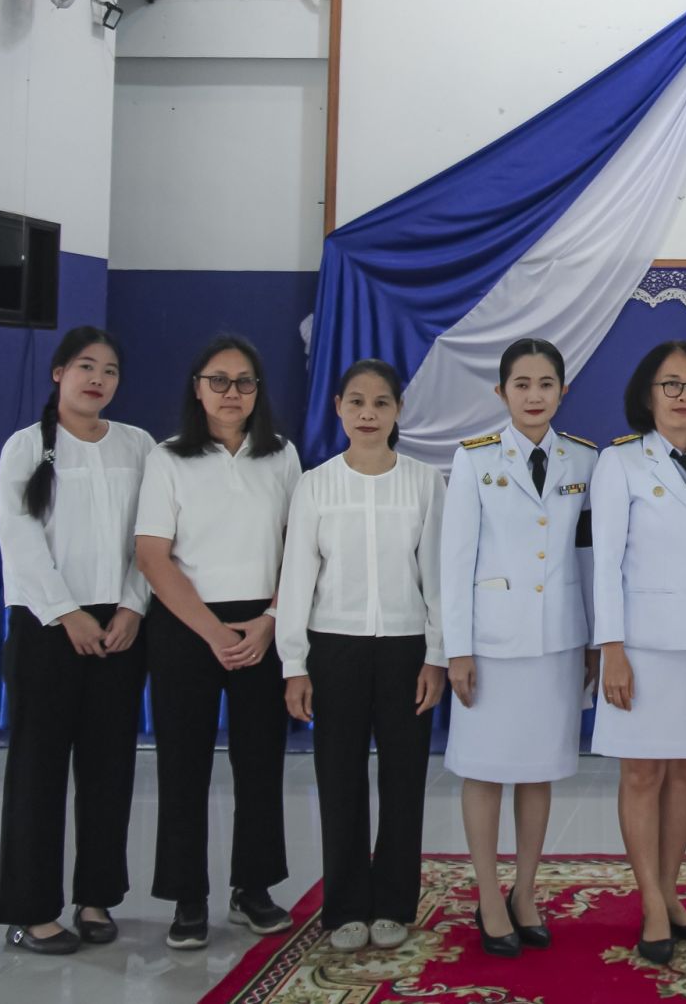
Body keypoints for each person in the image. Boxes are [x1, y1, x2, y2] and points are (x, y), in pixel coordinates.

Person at [135, 334, 302, 949]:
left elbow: (299, 548)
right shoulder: (168, 458)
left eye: (245, 381)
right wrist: (210, 630)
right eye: (219, 380)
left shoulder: (281, 454)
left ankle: (253, 888)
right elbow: (152, 555)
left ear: (259, 390)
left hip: (263, 626)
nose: (233, 392)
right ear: (197, 388)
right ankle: (187, 896)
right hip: (186, 627)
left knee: (260, 762)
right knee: (183, 765)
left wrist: (270, 620)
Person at [276, 359, 447, 952]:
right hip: (334, 648)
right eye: (356, 402)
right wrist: (294, 664)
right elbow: (297, 578)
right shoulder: (315, 484)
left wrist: (436, 655)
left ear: (399, 410)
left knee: (404, 778)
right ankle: (346, 904)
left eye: (381, 402)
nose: (368, 414)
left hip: (406, 650)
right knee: (339, 776)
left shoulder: (425, 482)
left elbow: (437, 577)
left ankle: (395, 902)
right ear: (338, 408)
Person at [0, 327, 155, 954]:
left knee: (109, 767)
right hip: (46, 626)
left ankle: (97, 898)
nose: (98, 379)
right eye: (86, 366)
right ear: (59, 372)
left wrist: (133, 606)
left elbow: (152, 537)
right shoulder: (25, 446)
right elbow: (20, 539)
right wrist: (67, 614)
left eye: (110, 370)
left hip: (120, 627)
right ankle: (31, 912)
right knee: (38, 771)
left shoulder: (138, 444)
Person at [590, 341, 686, 965]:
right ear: (647, 394)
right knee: (641, 774)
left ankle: (672, 892)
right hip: (642, 645)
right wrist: (611, 648)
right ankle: (651, 902)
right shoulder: (620, 462)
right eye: (671, 384)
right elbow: (604, 564)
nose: (684, 395)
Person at [442, 338, 597, 958]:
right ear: (501, 392)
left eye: (546, 384)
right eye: (522, 384)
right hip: (491, 643)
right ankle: (488, 895)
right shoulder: (474, 459)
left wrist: (594, 639)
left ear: (564, 391)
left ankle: (525, 891)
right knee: (483, 771)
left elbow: (588, 558)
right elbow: (455, 562)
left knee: (539, 771)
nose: (534, 395)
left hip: (558, 640)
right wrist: (457, 649)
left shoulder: (583, 459)